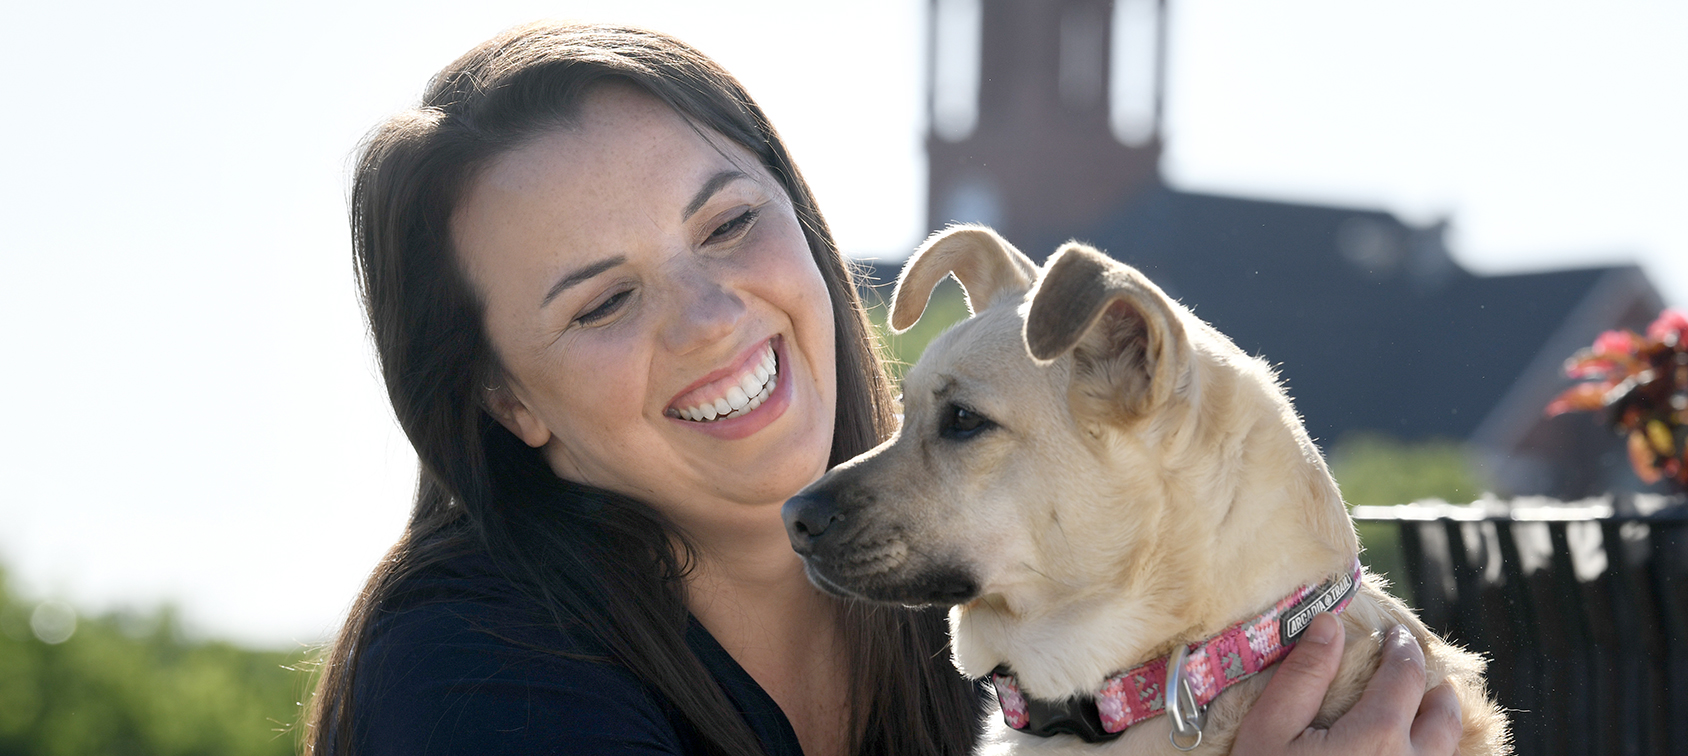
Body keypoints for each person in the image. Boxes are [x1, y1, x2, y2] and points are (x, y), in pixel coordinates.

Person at [307, 20, 1464, 756]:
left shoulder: (1012, 617)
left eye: (729, 223)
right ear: (509, 404)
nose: (713, 318)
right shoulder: (472, 679)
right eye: (602, 302)